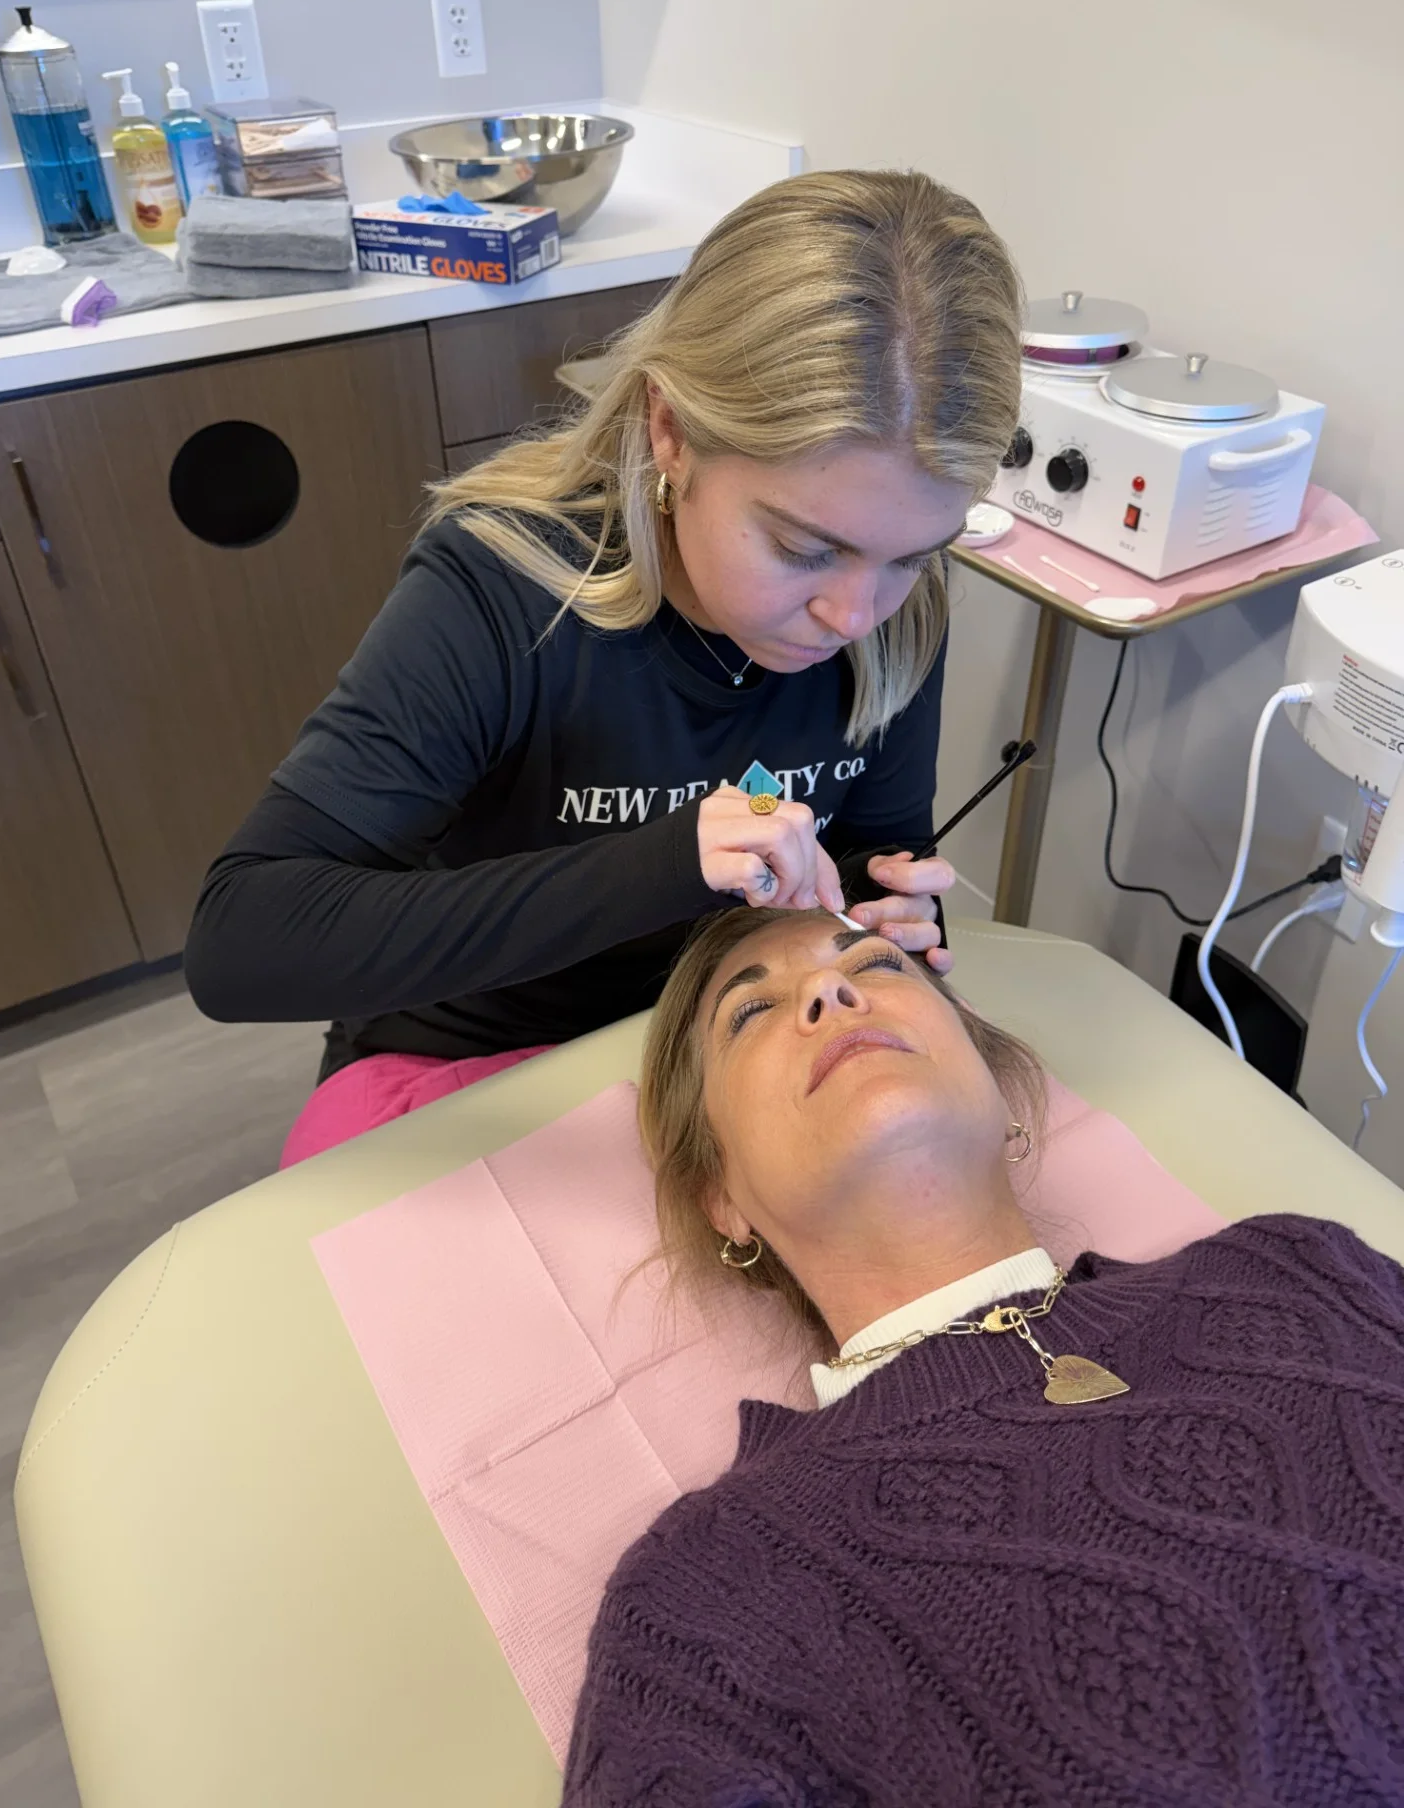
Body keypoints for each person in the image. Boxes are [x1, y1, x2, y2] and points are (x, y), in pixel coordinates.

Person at [184, 170, 1025, 1167]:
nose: (852, 616)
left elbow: (869, 855)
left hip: (716, 1050)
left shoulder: (893, 608)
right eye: (803, 549)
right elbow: (243, 943)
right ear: (670, 431)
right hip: (471, 1061)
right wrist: (664, 866)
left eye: (913, 554)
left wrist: (880, 908)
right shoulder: (500, 589)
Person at [563, 906, 1404, 1807]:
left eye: (878, 962)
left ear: (1005, 1099)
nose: (827, 989)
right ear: (722, 1199)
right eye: (750, 1012)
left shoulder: (1294, 1269)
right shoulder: (712, 1592)